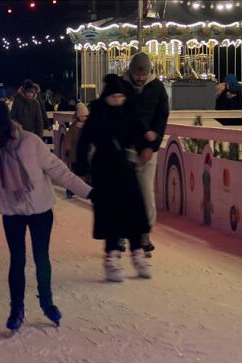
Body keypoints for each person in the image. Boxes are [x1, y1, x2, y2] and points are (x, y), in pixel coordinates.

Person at [0, 100, 93, 333]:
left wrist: (89, 192)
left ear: (3, 124)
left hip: (40, 210)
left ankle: (47, 302)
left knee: (42, 257)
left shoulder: (31, 143)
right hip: (12, 213)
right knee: (17, 260)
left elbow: (60, 171)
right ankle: (16, 309)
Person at [76, 74, 151, 282]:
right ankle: (112, 258)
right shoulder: (98, 113)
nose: (117, 100)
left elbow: (139, 132)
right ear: (106, 97)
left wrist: (146, 146)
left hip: (126, 168)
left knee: (134, 211)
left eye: (120, 97)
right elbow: (84, 142)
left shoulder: (128, 112)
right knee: (110, 214)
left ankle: (137, 255)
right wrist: (81, 168)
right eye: (113, 97)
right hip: (104, 170)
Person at [121, 52, 169, 255]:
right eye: (136, 74)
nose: (139, 78)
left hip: (148, 149)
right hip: (124, 148)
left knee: (145, 192)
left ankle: (144, 232)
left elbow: (161, 118)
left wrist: (152, 146)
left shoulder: (157, 88)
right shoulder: (120, 87)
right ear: (130, 71)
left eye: (143, 75)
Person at [61, 102, 89, 198]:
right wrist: (67, 150)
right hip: (74, 154)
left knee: (84, 172)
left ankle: (85, 189)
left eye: (86, 116)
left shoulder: (88, 127)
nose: (84, 118)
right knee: (75, 173)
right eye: (82, 116)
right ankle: (70, 190)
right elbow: (68, 139)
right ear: (78, 116)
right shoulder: (74, 126)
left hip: (85, 154)